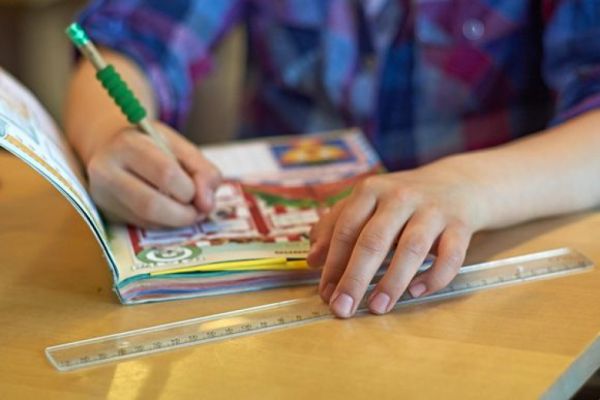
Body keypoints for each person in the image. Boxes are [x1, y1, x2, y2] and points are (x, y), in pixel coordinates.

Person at [65, 1, 600, 318]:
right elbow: (132, 39)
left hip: (478, 279)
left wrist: (468, 185)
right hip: (265, 286)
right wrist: (109, 135)